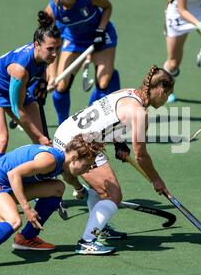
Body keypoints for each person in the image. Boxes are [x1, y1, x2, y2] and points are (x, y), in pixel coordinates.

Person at [51, 65, 175, 255]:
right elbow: (141, 155)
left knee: (99, 190)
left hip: (64, 132)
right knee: (113, 196)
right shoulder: (140, 114)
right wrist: (156, 179)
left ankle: (101, 227)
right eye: (167, 94)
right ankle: (87, 241)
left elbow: (105, 117)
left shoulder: (127, 92)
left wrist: (118, 144)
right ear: (159, 89)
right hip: (78, 144)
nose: (166, 99)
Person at [0, 133, 105, 271]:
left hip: (8, 188)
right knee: (14, 221)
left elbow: (69, 177)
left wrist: (81, 191)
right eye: (85, 166)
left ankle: (26, 238)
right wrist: (26, 208)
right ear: (73, 158)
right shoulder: (49, 160)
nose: (86, 171)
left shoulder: (62, 162)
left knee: (57, 187)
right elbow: (14, 174)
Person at [0, 11, 61, 171]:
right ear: (36, 45)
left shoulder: (43, 54)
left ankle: (39, 187)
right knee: (1, 141)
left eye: (58, 48)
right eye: (50, 49)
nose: (55, 54)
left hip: (16, 88)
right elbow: (17, 108)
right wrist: (40, 137)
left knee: (42, 145)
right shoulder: (20, 68)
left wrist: (43, 81)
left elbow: (42, 65)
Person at [45, 0, 121, 125]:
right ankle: (63, 124)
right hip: (75, 41)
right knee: (61, 86)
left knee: (104, 82)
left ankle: (88, 119)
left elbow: (108, 7)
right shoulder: (52, 11)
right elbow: (50, 44)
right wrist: (53, 75)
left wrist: (101, 29)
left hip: (101, 37)